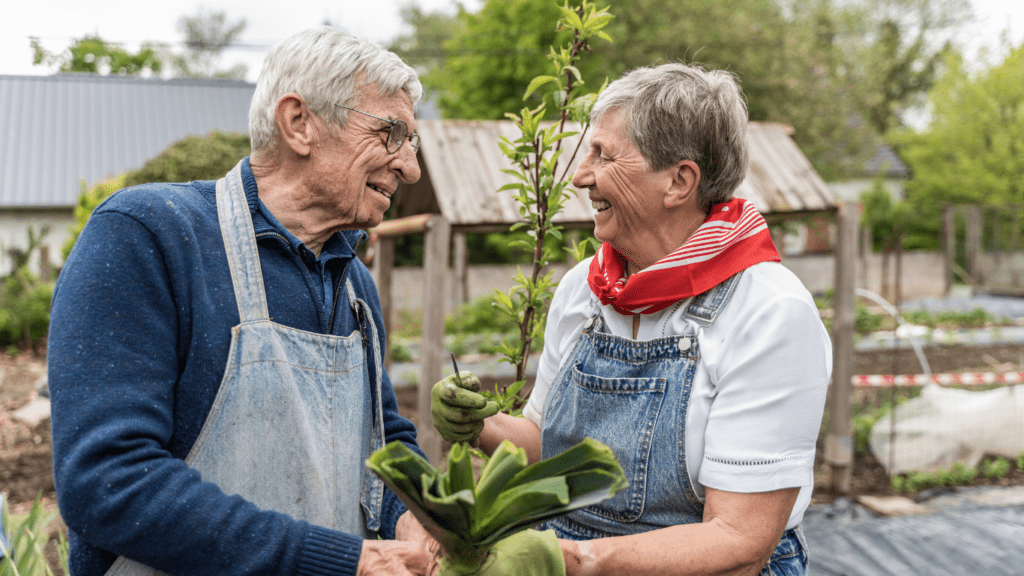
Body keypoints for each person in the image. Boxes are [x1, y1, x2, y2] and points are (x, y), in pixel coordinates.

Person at [48, 27, 439, 576]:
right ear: (299, 123)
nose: (411, 167)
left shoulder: (355, 285)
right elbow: (108, 480)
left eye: (413, 143)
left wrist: (419, 518)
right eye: (392, 133)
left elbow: (385, 440)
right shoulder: (148, 237)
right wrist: (345, 561)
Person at [432, 63, 832, 576]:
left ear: (679, 181)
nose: (580, 175)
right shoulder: (584, 289)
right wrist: (480, 424)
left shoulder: (769, 313)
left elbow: (739, 543)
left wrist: (571, 559)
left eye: (603, 154)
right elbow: (550, 451)